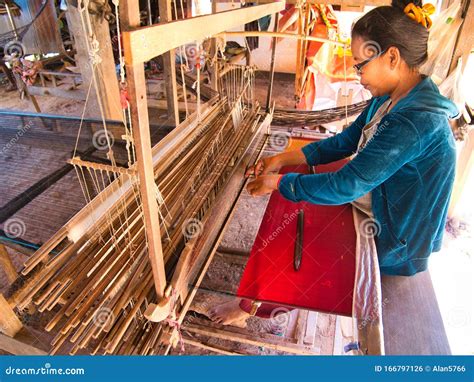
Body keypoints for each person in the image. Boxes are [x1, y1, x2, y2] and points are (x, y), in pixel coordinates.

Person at [209, 0, 459, 326]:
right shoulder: (390, 98)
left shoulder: (414, 121)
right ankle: (256, 297)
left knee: (296, 230)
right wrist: (280, 160)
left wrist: (278, 183)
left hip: (397, 241)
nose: (358, 76)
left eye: (360, 65)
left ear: (392, 57)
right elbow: (344, 143)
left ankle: (253, 306)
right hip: (380, 202)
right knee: (293, 195)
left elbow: (347, 185)